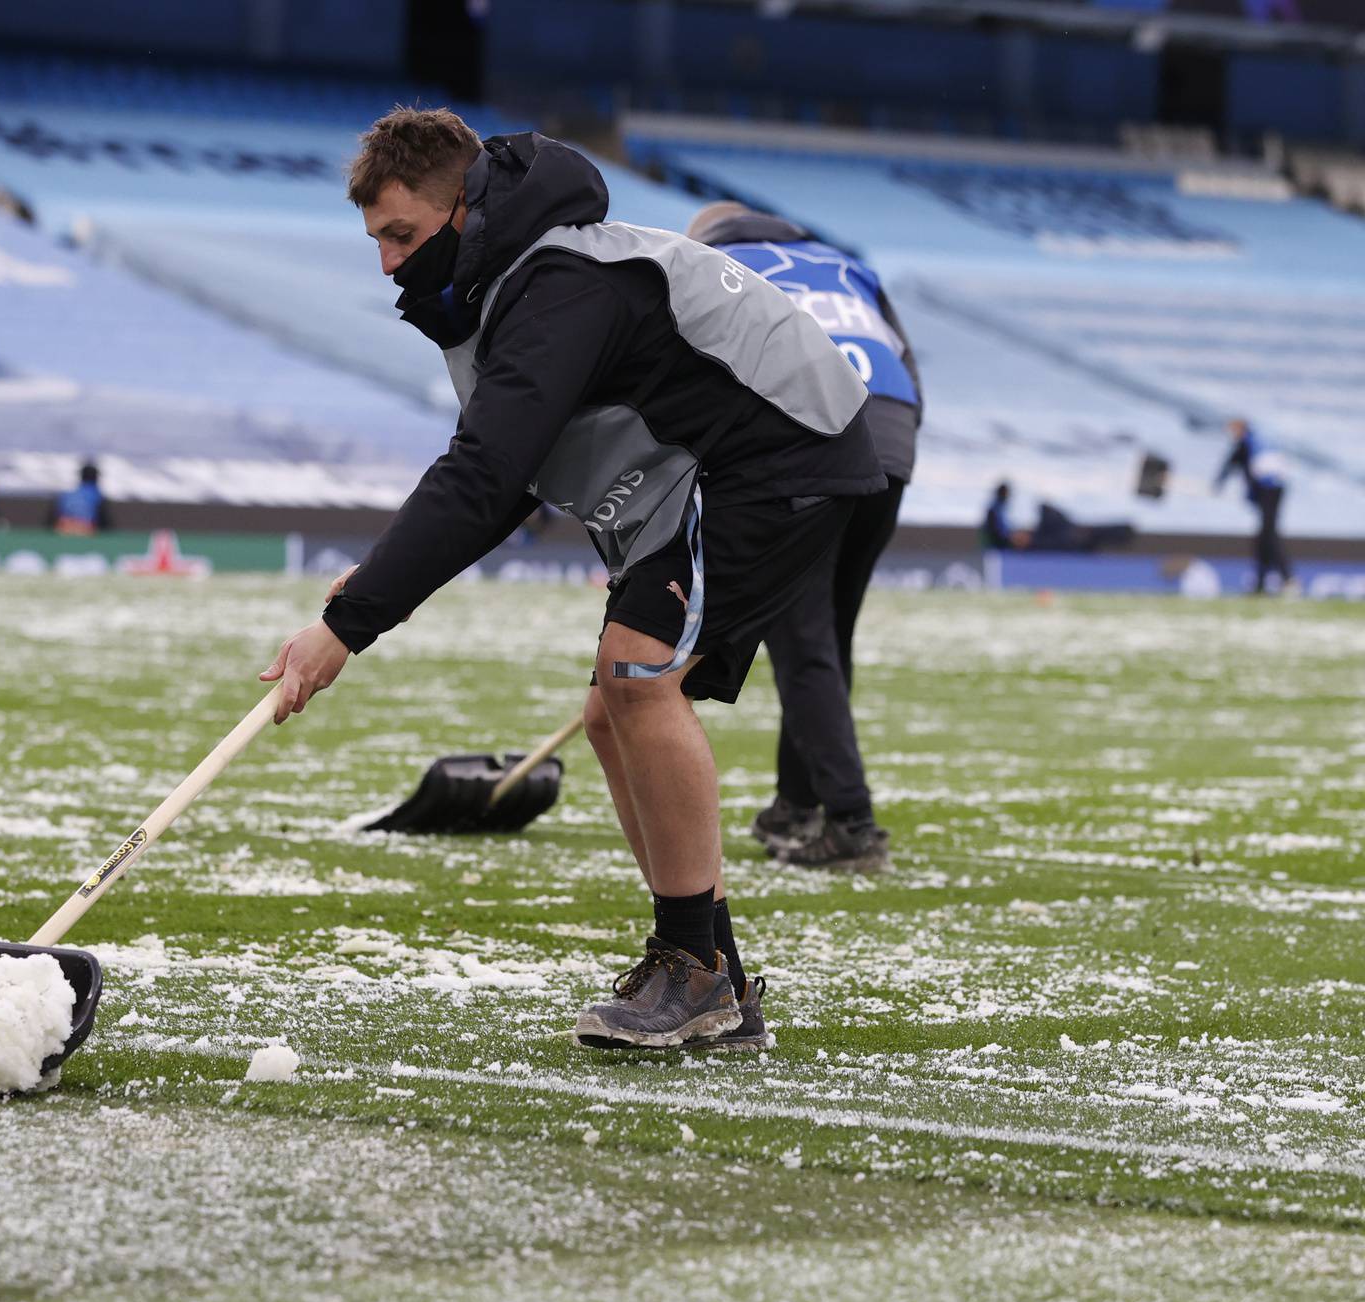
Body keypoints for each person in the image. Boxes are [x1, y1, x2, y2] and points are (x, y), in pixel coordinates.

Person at [261, 109, 883, 1051]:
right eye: (377, 242)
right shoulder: (516, 281)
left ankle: (695, 972)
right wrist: (380, 579)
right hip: (714, 471)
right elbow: (508, 471)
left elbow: (487, 475)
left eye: (401, 236)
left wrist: (346, 623)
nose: (388, 266)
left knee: (637, 676)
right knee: (610, 710)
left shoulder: (557, 281)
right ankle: (712, 970)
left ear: (464, 209)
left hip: (780, 460)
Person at [688, 202, 919, 873]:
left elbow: (696, 375)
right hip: (890, 439)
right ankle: (798, 803)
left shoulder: (710, 264)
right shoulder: (848, 267)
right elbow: (910, 370)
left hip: (805, 444)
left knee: (803, 640)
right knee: (826, 635)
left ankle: (851, 823)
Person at [1216, 418, 1293, 593]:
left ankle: (1287, 579)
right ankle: (1261, 583)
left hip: (1269, 491)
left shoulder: (1247, 443)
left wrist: (1218, 484)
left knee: (1268, 536)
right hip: (1273, 491)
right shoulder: (1259, 443)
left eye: (1233, 430)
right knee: (1264, 537)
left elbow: (1230, 464)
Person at [50, 461, 107, 536]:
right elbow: (104, 521)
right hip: (85, 530)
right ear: (96, 478)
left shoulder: (66, 495)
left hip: (63, 529)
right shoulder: (96, 495)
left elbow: (53, 517)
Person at [981, 481, 1021, 551]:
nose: (1008, 496)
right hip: (998, 542)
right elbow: (997, 530)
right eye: (1006, 494)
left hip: (1002, 540)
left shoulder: (1002, 508)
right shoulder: (995, 509)